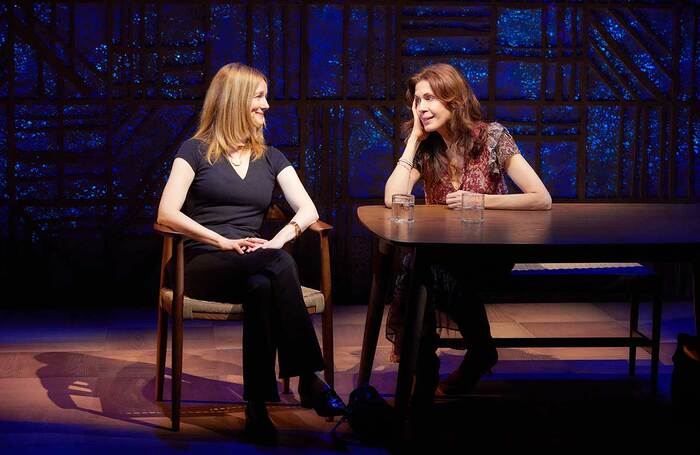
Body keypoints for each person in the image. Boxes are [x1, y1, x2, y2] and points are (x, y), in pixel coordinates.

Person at [157, 63, 345, 436]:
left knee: (262, 285)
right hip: (201, 260)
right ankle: (310, 377)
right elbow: (167, 211)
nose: (267, 105)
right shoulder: (194, 150)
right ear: (235, 101)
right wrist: (221, 240)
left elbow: (309, 210)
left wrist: (276, 241)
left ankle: (257, 406)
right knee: (274, 265)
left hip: (255, 260)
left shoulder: (271, 156)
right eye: (259, 96)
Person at [384, 63, 552, 407]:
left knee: (418, 271)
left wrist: (483, 201)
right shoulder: (427, 147)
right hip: (443, 256)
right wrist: (413, 140)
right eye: (416, 101)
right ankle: (459, 358)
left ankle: (445, 364)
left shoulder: (492, 138)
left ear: (454, 100)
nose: (421, 108)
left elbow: (541, 198)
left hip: (489, 255)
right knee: (423, 269)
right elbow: (392, 198)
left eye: (429, 98)